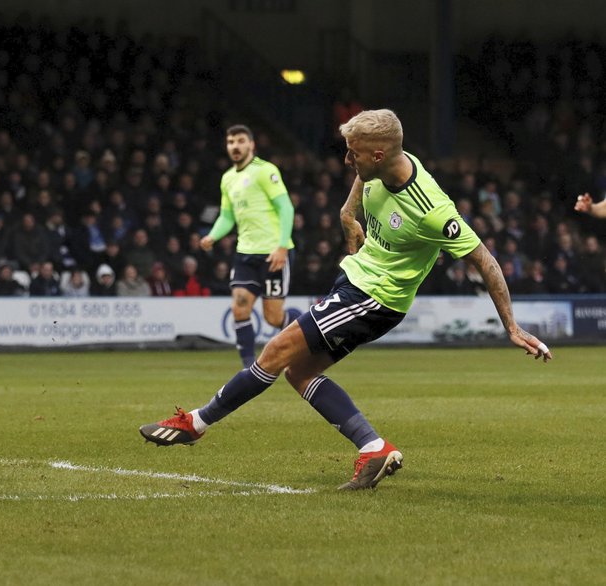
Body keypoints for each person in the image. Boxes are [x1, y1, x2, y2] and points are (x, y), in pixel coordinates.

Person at [140, 110, 553, 491]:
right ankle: (373, 447)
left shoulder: (431, 210)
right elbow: (363, 177)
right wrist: (347, 211)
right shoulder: (383, 162)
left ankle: (196, 422)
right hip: (355, 280)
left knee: (277, 351)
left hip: (375, 298)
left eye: (353, 154)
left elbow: (486, 261)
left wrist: (512, 328)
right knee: (298, 372)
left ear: (377, 154)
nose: (346, 161)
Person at [200, 124, 301, 368]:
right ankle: (248, 366)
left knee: (273, 317)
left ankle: (311, 332)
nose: (235, 146)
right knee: (240, 307)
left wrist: (281, 247)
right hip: (245, 254)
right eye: (231, 142)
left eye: (240, 141)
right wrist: (212, 236)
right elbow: (227, 216)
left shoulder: (265, 171)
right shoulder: (227, 179)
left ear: (251, 145)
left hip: (273, 253)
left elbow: (286, 208)